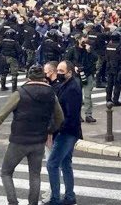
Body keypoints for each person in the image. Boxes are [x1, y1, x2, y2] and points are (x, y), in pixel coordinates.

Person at [0, 65, 64, 205]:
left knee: (6, 172)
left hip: (19, 140)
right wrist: (50, 131)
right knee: (35, 175)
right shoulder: (51, 93)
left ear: (28, 77)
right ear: (43, 77)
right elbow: (60, 117)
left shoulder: (20, 92)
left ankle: (13, 202)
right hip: (39, 140)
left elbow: (2, 115)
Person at [45, 61, 83, 205]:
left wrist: (57, 129)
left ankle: (55, 199)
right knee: (66, 163)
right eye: (58, 70)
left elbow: (71, 114)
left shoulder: (72, 88)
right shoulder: (67, 85)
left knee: (52, 164)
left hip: (66, 132)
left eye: (62, 71)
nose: (59, 73)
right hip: (68, 131)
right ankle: (69, 196)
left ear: (69, 72)